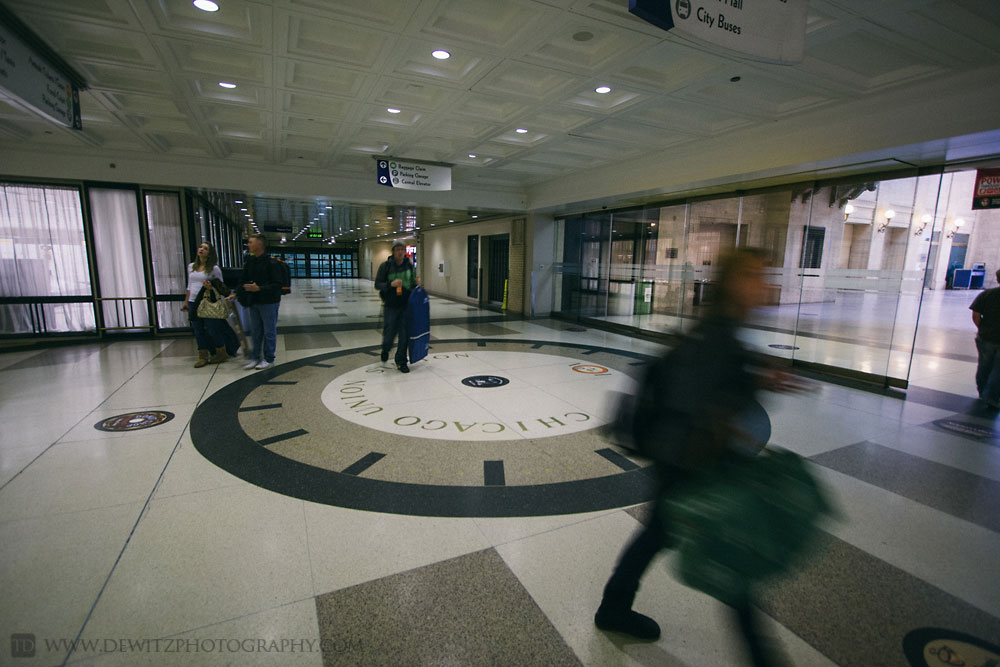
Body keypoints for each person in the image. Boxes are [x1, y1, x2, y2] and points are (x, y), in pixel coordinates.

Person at [595, 247, 801, 667]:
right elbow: (696, 398)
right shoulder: (717, 336)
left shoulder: (721, 332)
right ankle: (762, 657)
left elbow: (713, 388)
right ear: (733, 283)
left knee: (656, 536)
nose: (764, 285)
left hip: (685, 459)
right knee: (732, 563)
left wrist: (756, 378)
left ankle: (613, 607)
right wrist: (747, 393)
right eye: (755, 276)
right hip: (690, 462)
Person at [234, 234, 283, 371]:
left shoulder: (272, 263)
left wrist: (259, 288)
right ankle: (255, 357)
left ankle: (269, 358)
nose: (248, 245)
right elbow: (243, 279)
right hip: (254, 301)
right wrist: (236, 292)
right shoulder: (250, 262)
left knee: (269, 331)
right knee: (256, 331)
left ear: (259, 244)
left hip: (269, 302)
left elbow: (277, 284)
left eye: (250, 242)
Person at [375, 240, 420, 373]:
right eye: (398, 249)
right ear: (393, 251)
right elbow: (377, 284)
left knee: (404, 335)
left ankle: (401, 361)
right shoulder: (386, 266)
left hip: (406, 306)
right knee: (389, 332)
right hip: (391, 305)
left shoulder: (409, 266)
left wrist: (415, 283)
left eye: (402, 249)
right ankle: (386, 348)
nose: (400, 252)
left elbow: (411, 285)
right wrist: (390, 285)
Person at [181, 242, 226, 368]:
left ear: (209, 253)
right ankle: (203, 356)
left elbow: (221, 286)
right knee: (198, 330)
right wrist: (186, 301)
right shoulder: (191, 267)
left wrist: (211, 287)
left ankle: (220, 351)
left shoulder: (214, 269)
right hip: (193, 302)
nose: (201, 249)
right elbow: (189, 285)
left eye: (205, 248)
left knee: (212, 328)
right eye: (200, 247)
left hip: (207, 301)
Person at [970, 269, 1000, 407]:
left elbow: (976, 315)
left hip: (986, 337)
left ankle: (982, 393)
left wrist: (982, 328)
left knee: (984, 366)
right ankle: (992, 397)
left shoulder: (987, 294)